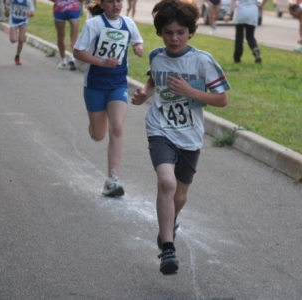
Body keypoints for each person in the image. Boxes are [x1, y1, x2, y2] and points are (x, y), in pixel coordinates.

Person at [131, 0, 231, 275]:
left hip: (190, 135)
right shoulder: (156, 55)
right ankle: (168, 249)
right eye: (168, 32)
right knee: (166, 182)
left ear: (190, 32)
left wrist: (191, 92)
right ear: (160, 32)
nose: (174, 38)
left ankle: (169, 223)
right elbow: (154, 79)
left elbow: (221, 100)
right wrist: (145, 93)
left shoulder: (202, 61)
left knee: (181, 194)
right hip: (160, 128)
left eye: (180, 32)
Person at [73, 0, 144, 197]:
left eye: (118, 1)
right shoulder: (93, 24)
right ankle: (94, 127)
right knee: (98, 135)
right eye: (111, 1)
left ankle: (112, 180)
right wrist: (101, 62)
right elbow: (77, 51)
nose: (116, 5)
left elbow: (138, 40)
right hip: (95, 85)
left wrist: (139, 47)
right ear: (102, 4)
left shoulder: (128, 23)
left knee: (118, 126)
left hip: (118, 84)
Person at [51, 0, 83, 70]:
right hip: (73, 8)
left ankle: (63, 60)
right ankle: (72, 57)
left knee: (60, 35)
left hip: (60, 8)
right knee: (74, 34)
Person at [5, 0, 35, 65]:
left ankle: (17, 56)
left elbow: (32, 12)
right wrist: (8, 8)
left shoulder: (28, 1)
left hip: (23, 21)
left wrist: (30, 14)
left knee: (21, 40)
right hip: (14, 21)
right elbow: (6, 3)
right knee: (13, 40)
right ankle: (12, 34)